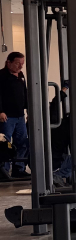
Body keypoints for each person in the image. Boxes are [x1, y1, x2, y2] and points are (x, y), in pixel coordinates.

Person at [0, 51, 29, 181]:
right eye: (17, 63)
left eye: (22, 63)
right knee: (5, 144)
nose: (20, 66)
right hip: (7, 116)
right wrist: (0, 111)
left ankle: (19, 169)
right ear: (8, 63)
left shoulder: (21, 76)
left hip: (20, 116)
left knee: (22, 142)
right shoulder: (1, 76)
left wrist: (29, 110)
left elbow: (25, 93)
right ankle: (3, 171)